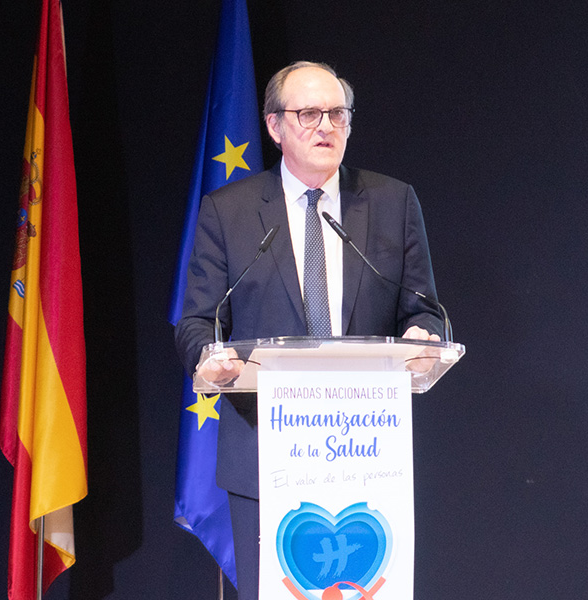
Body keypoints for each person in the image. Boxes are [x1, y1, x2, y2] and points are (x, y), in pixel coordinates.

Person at [174, 61, 444, 599]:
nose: (326, 126)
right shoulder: (230, 212)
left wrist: (423, 338)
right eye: (309, 114)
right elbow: (198, 320)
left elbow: (423, 310)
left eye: (338, 114)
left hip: (368, 457)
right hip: (265, 461)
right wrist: (207, 356)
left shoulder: (393, 203)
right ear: (274, 126)